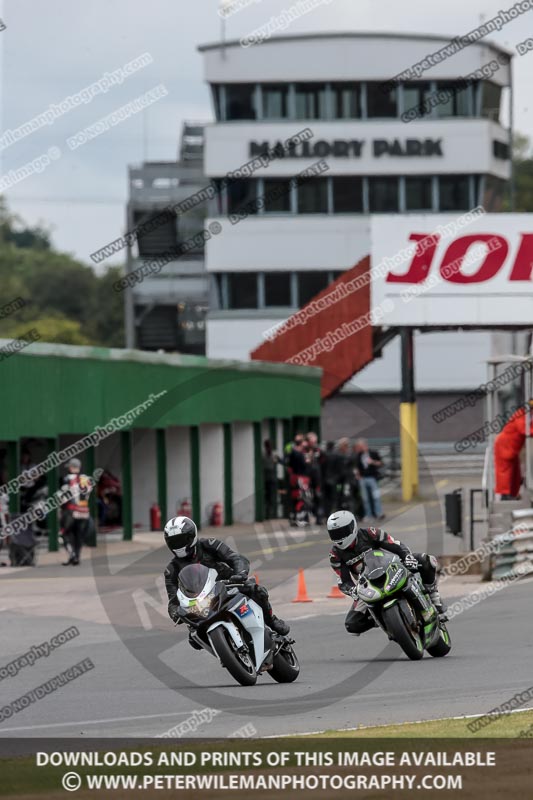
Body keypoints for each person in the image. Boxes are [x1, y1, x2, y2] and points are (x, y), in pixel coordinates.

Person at [163, 516, 290, 646]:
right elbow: (173, 600)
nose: (179, 545)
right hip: (200, 601)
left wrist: (240, 573)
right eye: (174, 542)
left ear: (192, 536)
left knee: (257, 591)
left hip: (227, 585)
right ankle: (226, 653)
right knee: (194, 639)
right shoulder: (171, 569)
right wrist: (175, 613)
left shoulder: (209, 545)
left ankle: (271, 621)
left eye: (182, 540)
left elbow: (235, 558)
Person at [327, 509, 444, 636]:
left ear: (353, 526)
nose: (339, 537)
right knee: (352, 624)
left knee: (427, 561)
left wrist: (406, 556)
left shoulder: (370, 533)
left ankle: (434, 598)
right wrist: (352, 590)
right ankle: (386, 620)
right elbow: (343, 581)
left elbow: (395, 544)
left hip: (392, 567)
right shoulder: (335, 554)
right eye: (335, 534)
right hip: (368, 584)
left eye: (342, 532)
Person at [494, 403, 533, 499]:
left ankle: (512, 494)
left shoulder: (527, 417)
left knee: (516, 473)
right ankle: (505, 495)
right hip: (505, 446)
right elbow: (525, 430)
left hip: (512, 448)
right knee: (504, 471)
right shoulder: (520, 415)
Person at [60, 458, 93, 566]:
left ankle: (72, 555)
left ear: (71, 467)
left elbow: (63, 497)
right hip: (84, 511)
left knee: (64, 534)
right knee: (78, 535)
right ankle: (77, 557)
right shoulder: (86, 479)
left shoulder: (67, 479)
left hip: (71, 510)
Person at [354, 439, 385, 521]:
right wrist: (358, 475)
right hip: (363, 478)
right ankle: (369, 514)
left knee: (376, 497)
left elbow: (381, 463)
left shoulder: (373, 453)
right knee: (365, 498)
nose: (360, 449)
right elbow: (357, 466)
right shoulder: (359, 455)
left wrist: (372, 462)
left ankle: (378, 513)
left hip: (372, 478)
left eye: (361, 447)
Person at [263, 439, 279, 520]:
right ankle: (271, 514)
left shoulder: (263, 454)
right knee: (272, 497)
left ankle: (267, 514)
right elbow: (277, 462)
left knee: (267, 497)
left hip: (266, 478)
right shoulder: (274, 454)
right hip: (272, 478)